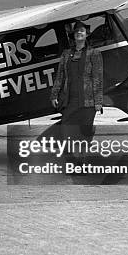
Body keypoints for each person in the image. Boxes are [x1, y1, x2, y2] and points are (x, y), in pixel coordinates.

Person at [50, 21, 103, 160]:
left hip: (88, 101)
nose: (79, 33)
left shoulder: (94, 53)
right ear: (73, 35)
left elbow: (97, 78)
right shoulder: (66, 54)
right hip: (70, 100)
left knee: (84, 133)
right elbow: (60, 76)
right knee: (68, 131)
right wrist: (54, 95)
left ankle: (81, 162)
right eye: (77, 31)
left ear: (86, 35)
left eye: (82, 31)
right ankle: (73, 160)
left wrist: (98, 102)